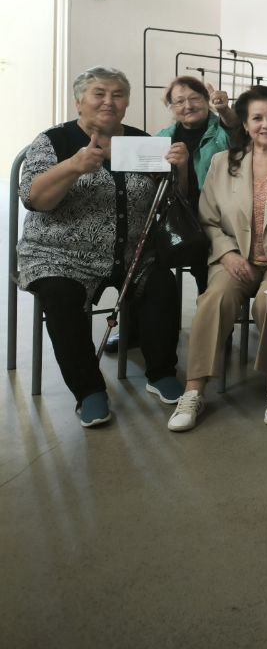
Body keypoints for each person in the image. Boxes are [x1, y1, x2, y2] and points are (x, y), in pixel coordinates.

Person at [17, 66, 186, 426]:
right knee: (60, 295)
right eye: (99, 93)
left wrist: (179, 169)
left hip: (133, 254)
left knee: (161, 284)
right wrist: (73, 166)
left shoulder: (140, 142)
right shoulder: (54, 141)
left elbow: (170, 199)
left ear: (126, 103)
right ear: (79, 101)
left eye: (117, 95)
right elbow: (34, 199)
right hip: (60, 255)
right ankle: (89, 390)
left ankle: (161, 372)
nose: (109, 101)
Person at [167, 86, 267, 433]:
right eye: (257, 118)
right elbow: (207, 219)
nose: (266, 125)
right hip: (234, 257)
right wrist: (226, 254)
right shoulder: (223, 162)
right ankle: (193, 391)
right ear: (245, 123)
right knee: (214, 299)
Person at [154, 76, 240, 296]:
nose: (188, 106)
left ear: (206, 99)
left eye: (195, 98)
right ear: (171, 107)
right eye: (179, 101)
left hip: (220, 215)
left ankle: (211, 306)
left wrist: (225, 110)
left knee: (204, 265)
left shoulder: (221, 129)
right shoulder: (163, 137)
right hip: (180, 215)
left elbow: (238, 132)